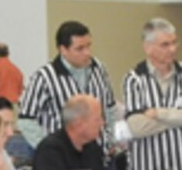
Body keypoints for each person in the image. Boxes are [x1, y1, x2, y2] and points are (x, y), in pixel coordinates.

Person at [123, 17, 182, 170]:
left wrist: (159, 113)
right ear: (148, 48)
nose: (173, 49)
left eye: (175, 43)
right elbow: (136, 127)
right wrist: (180, 117)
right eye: (165, 44)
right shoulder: (134, 79)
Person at [19, 21, 116, 158]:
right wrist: (48, 148)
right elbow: (26, 120)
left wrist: (111, 139)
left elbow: (110, 109)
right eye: (80, 48)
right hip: (63, 158)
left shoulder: (99, 69)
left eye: (89, 46)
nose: (87, 53)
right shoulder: (44, 77)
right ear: (63, 50)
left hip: (100, 154)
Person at [30, 94, 136, 170]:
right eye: (98, 119)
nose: (102, 123)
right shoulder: (50, 150)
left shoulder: (92, 147)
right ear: (79, 124)